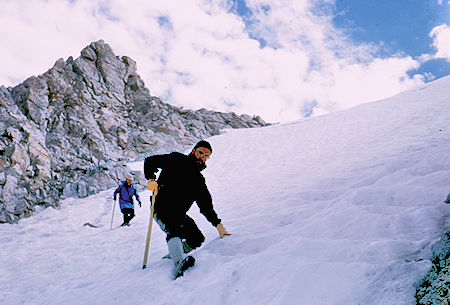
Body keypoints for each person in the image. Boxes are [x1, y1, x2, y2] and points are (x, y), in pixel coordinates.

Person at [144, 140, 230, 278]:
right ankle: (179, 262)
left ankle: (172, 256)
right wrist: (151, 179)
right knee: (174, 228)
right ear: (193, 150)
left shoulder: (199, 181)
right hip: (161, 206)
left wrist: (218, 225)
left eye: (206, 156)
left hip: (178, 214)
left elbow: (206, 206)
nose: (202, 157)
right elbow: (150, 161)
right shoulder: (176, 159)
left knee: (197, 238)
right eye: (200, 152)